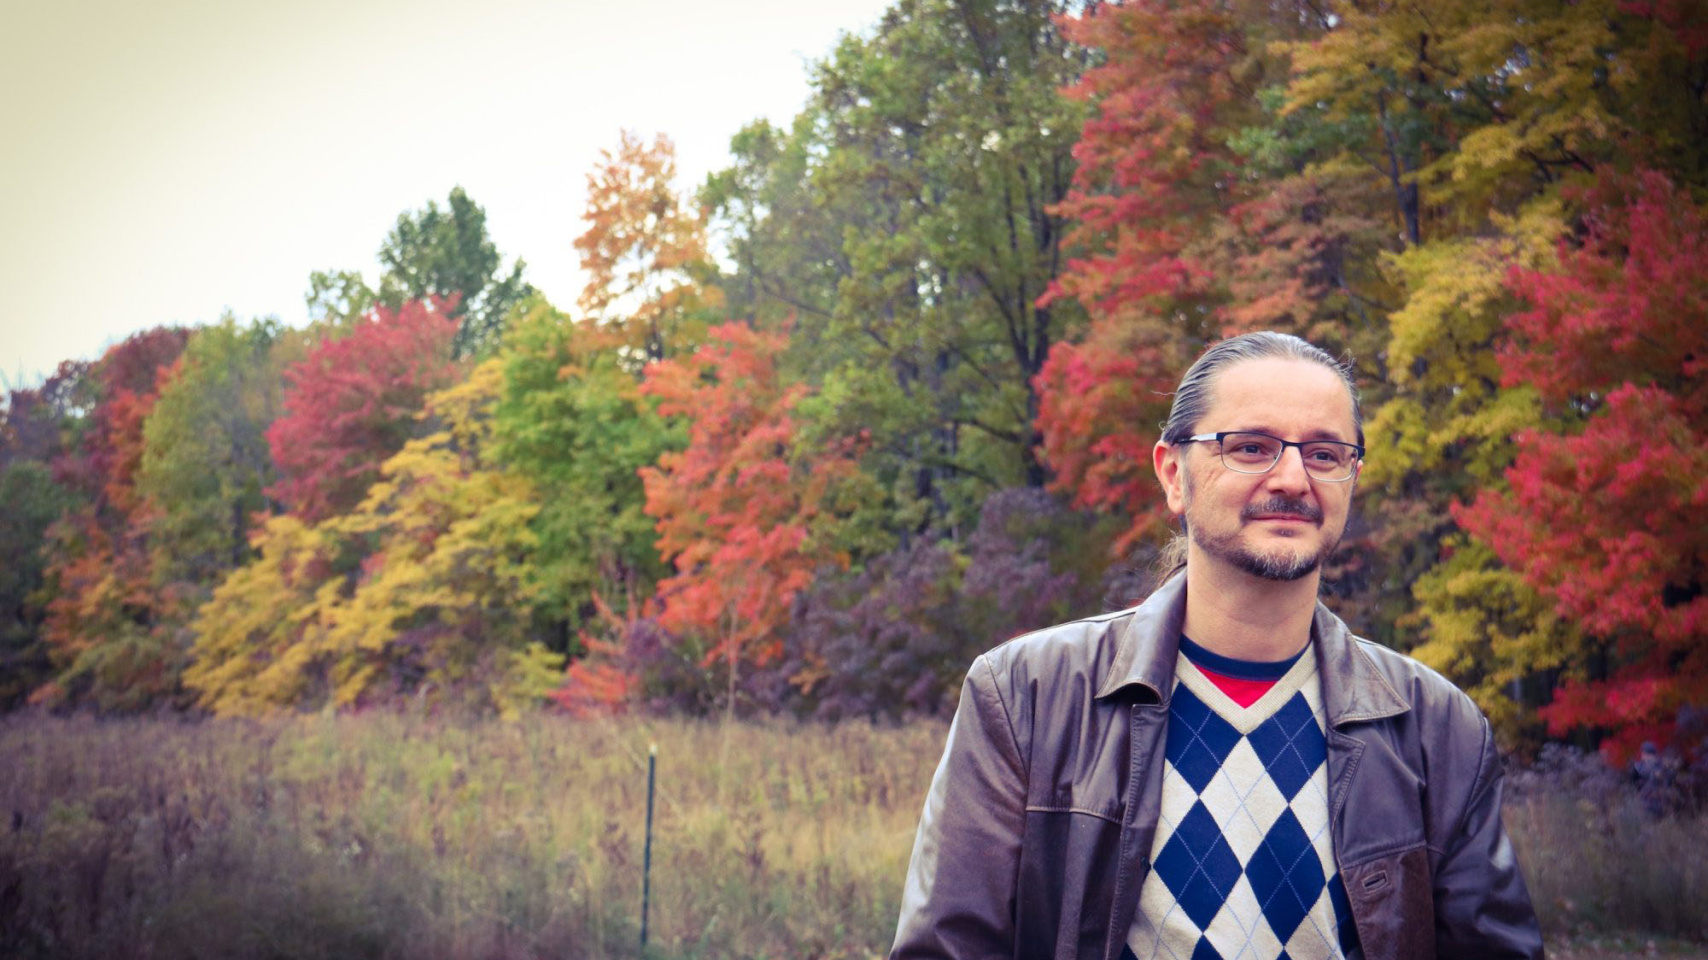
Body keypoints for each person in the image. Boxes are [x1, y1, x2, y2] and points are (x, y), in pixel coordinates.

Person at [890, 332, 1543, 960]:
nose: (1292, 478)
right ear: (1174, 474)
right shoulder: (1024, 698)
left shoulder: (1439, 728)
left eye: (1324, 454)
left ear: (1352, 479)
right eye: (1251, 447)